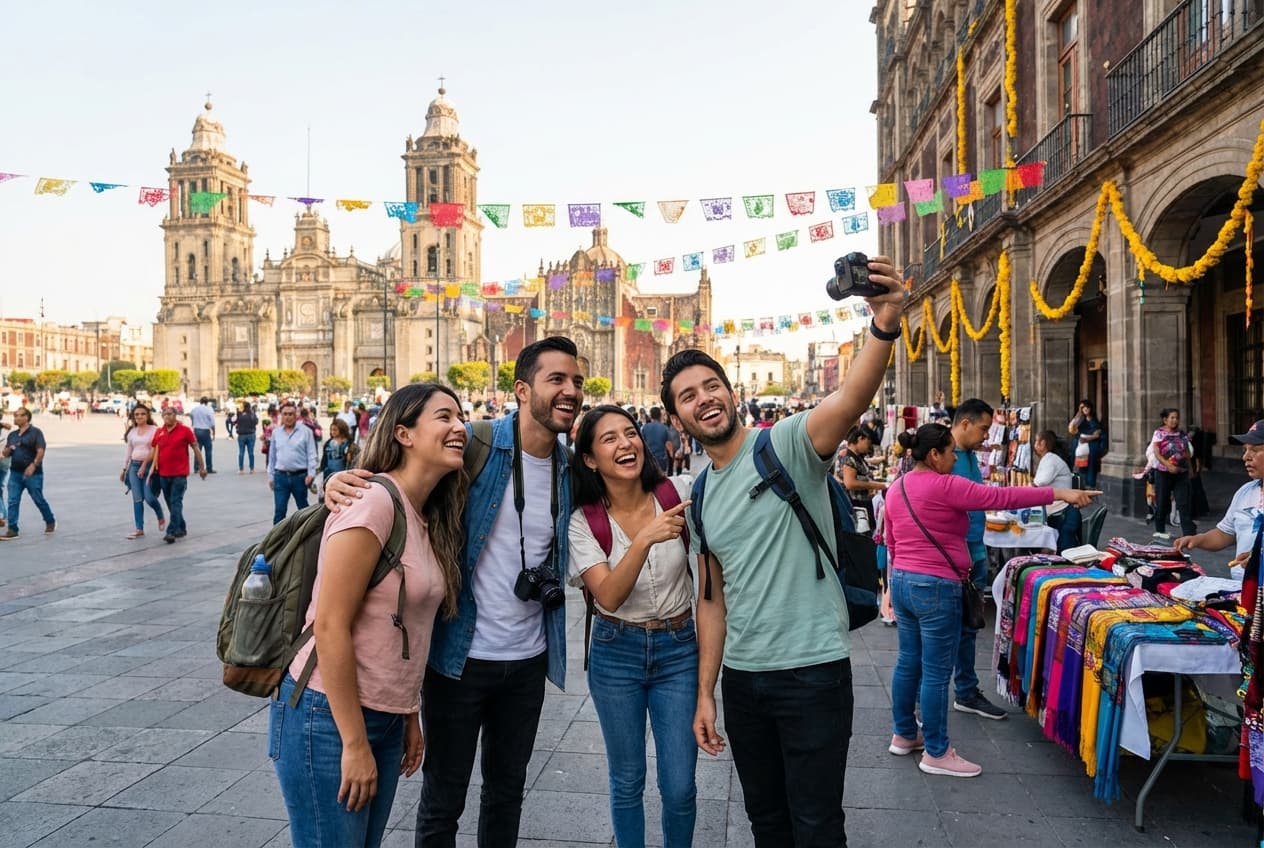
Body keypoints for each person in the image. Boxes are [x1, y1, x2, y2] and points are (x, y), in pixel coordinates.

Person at [661, 254, 904, 845]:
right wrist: (705, 693)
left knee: (818, 826)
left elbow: (848, 401)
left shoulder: (787, 444)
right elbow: (712, 602)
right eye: (689, 396)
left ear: (730, 391)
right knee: (766, 823)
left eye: (712, 386)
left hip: (811, 673)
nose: (705, 399)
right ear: (676, 417)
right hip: (745, 682)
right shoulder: (702, 495)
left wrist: (885, 323)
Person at [324, 336, 581, 846]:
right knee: (444, 799)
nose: (571, 390)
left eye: (576, 380)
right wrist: (336, 484)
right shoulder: (477, 446)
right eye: (557, 379)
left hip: (529, 661)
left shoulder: (572, 467)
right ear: (522, 391)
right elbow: (400, 480)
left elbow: (632, 479)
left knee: (508, 792)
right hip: (459, 660)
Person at [273, 382, 467, 848]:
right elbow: (330, 625)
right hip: (328, 714)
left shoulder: (422, 514)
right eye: (444, 417)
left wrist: (408, 712)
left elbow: (402, 629)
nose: (459, 426)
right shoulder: (373, 503)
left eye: (460, 417)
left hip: (381, 715)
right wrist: (354, 743)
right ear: (403, 433)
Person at [884, 423, 1098, 778]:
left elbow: (890, 540)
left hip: (904, 581)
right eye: (951, 451)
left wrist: (894, 583)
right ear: (934, 454)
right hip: (936, 586)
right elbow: (1002, 498)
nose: (956, 457)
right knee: (936, 673)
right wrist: (1062, 494)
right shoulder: (946, 486)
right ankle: (936, 751)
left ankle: (904, 733)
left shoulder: (898, 487)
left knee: (909, 662)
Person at [568, 405, 697, 846]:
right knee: (627, 780)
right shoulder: (584, 521)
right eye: (609, 439)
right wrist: (642, 539)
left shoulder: (676, 492)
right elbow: (607, 595)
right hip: (615, 650)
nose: (626, 444)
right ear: (589, 459)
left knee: (680, 785)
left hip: (679, 648)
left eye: (630, 434)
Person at [946, 398, 1009, 721]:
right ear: (965, 424)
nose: (988, 435)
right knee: (944, 630)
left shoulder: (970, 456)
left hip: (977, 551)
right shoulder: (943, 456)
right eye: (984, 428)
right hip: (954, 556)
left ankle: (967, 691)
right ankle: (920, 700)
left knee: (970, 626)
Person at [1174, 419, 1264, 577]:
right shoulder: (1245, 492)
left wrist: (1259, 559)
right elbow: (1225, 534)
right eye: (1245, 450)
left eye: (1255, 450)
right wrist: (1198, 540)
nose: (1246, 457)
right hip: (1242, 589)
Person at [150, 406, 207, 544]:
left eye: (169, 414)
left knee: (176, 501)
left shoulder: (185, 430)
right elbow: (153, 452)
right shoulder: (159, 432)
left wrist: (202, 467)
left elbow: (195, 447)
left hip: (179, 474)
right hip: (163, 473)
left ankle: (171, 531)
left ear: (175, 415)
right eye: (164, 414)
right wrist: (148, 469)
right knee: (171, 503)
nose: (167, 417)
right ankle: (181, 527)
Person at [0, 408, 55, 540]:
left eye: (18, 416)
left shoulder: (36, 433)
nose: (15, 418)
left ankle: (50, 520)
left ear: (26, 418)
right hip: (15, 473)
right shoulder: (12, 435)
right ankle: (12, 529)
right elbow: (6, 453)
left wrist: (33, 465)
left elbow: (41, 451)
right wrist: (9, 448)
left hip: (33, 474)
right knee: (13, 500)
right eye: (15, 416)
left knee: (38, 499)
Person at [267, 401, 318, 525]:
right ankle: (277, 542)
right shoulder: (276, 433)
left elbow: (312, 454)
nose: (288, 417)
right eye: (285, 414)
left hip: (300, 477)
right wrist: (270, 476)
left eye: (291, 414)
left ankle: (306, 536)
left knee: (304, 510)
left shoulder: (306, 432)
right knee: (279, 511)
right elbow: (272, 456)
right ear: (281, 416)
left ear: (296, 415)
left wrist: (311, 473)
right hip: (281, 477)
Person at [120, 404, 165, 540]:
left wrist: (144, 466)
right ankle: (139, 528)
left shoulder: (154, 430)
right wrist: (124, 468)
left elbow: (154, 449)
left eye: (143, 414)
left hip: (149, 467)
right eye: (137, 414)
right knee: (137, 499)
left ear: (148, 416)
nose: (139, 416)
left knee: (149, 497)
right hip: (134, 467)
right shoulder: (132, 431)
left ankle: (160, 515)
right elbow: (129, 451)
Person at [1033, 429, 1082, 552]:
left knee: (1064, 551)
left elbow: (1040, 482)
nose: (1034, 445)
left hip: (1064, 513)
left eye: (1036, 441)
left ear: (1042, 443)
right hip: (1059, 511)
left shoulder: (1051, 459)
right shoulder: (1048, 459)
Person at [1151, 407, 1196, 540]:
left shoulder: (1182, 434)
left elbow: (1186, 453)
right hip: (1163, 473)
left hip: (1181, 473)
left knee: (1183, 502)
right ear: (1165, 419)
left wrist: (1190, 469)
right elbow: (1157, 453)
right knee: (1162, 501)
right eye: (1172, 417)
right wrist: (1168, 465)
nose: (1175, 420)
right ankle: (1160, 530)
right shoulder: (1159, 433)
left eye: (1176, 418)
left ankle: (1188, 533)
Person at [836, 425, 885, 527]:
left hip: (862, 503)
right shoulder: (848, 457)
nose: (869, 447)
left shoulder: (857, 455)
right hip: (856, 506)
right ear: (860, 439)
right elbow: (850, 483)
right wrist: (876, 485)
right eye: (868, 443)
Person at [1068, 399, 1104, 488]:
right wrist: (1079, 413)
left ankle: (1090, 483)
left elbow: (1097, 434)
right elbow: (1071, 429)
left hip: (1091, 442)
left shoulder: (1094, 420)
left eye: (1087, 407)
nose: (1085, 409)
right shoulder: (1080, 420)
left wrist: (1088, 439)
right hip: (1080, 442)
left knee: (1092, 456)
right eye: (1083, 408)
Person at [319, 418, 357, 483]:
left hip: (343, 477)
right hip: (329, 476)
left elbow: (355, 462)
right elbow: (324, 459)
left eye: (335, 430)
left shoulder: (350, 445)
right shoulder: (328, 443)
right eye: (331, 430)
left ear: (342, 430)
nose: (332, 432)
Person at [189, 396, 217, 474]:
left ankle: (196, 468)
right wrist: (214, 432)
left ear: (200, 402)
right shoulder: (209, 409)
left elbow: (191, 415)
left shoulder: (195, 409)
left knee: (197, 449)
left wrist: (193, 422)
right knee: (208, 450)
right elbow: (212, 422)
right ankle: (209, 468)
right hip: (205, 431)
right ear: (207, 402)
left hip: (196, 430)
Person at [641, 406, 672, 474]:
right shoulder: (664, 428)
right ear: (660, 415)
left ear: (651, 416)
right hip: (661, 460)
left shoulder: (645, 428)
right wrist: (672, 457)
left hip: (649, 460)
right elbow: (669, 445)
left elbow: (642, 443)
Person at [236, 402, 259, 474]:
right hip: (251, 434)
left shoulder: (240, 414)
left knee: (241, 452)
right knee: (251, 452)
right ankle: (251, 469)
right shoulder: (252, 414)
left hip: (241, 435)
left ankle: (241, 470)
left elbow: (236, 421)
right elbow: (256, 422)